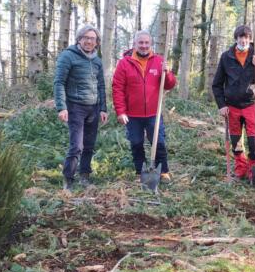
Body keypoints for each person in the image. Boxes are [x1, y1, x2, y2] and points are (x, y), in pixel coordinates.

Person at [112, 30, 177, 182]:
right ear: (134, 44)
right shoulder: (124, 63)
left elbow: (170, 85)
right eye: (140, 43)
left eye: (147, 43)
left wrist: (167, 74)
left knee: (159, 141)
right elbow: (117, 88)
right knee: (136, 142)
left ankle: (163, 171)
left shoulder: (159, 61)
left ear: (151, 44)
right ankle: (139, 171)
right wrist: (120, 111)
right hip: (132, 114)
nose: (144, 46)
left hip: (154, 112)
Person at [212, 25, 255, 186]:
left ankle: (253, 171)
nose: (243, 40)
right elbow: (216, 84)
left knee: (253, 141)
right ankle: (240, 169)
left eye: (246, 38)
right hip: (232, 106)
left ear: (250, 39)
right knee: (236, 141)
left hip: (251, 105)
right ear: (236, 39)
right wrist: (221, 105)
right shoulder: (226, 57)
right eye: (240, 37)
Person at [54, 25, 108, 191]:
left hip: (93, 108)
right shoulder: (68, 56)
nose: (89, 41)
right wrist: (61, 107)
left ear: (96, 42)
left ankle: (84, 176)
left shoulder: (97, 61)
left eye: (92, 39)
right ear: (79, 39)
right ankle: (68, 179)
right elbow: (59, 82)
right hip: (75, 107)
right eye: (85, 37)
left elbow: (101, 86)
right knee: (76, 146)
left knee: (89, 145)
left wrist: (103, 108)